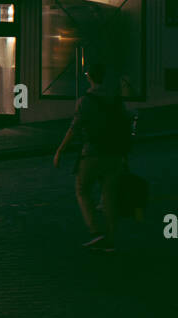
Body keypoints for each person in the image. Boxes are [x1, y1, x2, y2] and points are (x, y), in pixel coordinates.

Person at [53, 64, 131, 252]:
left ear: (89, 77)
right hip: (114, 153)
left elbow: (75, 127)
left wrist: (60, 150)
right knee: (110, 196)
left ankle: (96, 231)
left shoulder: (85, 101)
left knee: (82, 189)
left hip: (93, 152)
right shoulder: (117, 100)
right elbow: (124, 125)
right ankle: (111, 239)